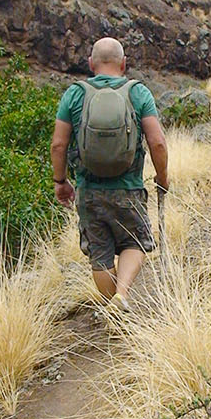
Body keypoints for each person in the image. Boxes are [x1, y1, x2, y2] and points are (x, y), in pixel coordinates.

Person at [50, 36, 168, 311]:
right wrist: (162, 178)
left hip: (88, 190)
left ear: (91, 63)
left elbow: (58, 144)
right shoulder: (137, 92)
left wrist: (61, 181)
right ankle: (122, 296)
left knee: (99, 253)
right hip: (128, 187)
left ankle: (113, 307)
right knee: (135, 241)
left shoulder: (75, 94)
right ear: (124, 63)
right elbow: (158, 142)